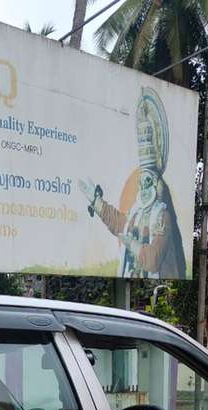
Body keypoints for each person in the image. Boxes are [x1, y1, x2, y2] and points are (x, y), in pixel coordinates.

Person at [79, 87, 186, 279]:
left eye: (147, 182)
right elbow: (119, 223)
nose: (143, 188)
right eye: (141, 184)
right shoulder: (137, 213)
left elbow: (153, 260)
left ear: (156, 185)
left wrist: (132, 244)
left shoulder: (162, 216)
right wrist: (96, 202)